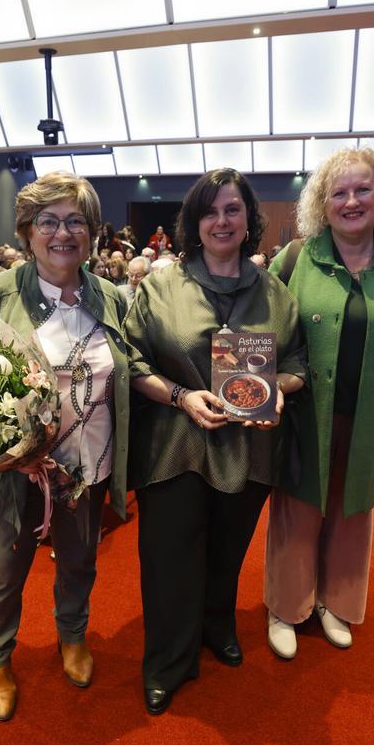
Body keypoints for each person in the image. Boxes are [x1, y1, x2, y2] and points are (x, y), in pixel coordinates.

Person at [123, 168, 305, 715]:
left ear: (250, 219)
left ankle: (217, 624)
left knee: (228, 550)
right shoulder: (160, 285)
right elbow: (130, 360)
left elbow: (297, 364)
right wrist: (181, 396)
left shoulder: (275, 292)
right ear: (194, 223)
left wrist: (274, 389)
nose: (221, 221)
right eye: (210, 211)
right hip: (174, 443)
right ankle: (166, 661)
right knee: (168, 557)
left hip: (247, 446)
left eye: (232, 210)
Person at [0, 171, 130, 722]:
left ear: (93, 232)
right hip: (16, 469)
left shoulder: (113, 297)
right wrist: (0, 448)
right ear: (28, 232)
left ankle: (72, 635)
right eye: (48, 222)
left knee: (79, 560)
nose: (62, 233)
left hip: (91, 460)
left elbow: (132, 371)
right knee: (4, 568)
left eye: (76, 221)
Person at [262, 147, 374, 661]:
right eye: (338, 192)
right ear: (323, 202)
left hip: (370, 418)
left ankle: (335, 603)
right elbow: (262, 329)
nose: (351, 200)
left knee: (352, 507)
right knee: (298, 509)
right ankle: (287, 606)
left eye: (363, 189)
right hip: (301, 413)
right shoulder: (294, 258)